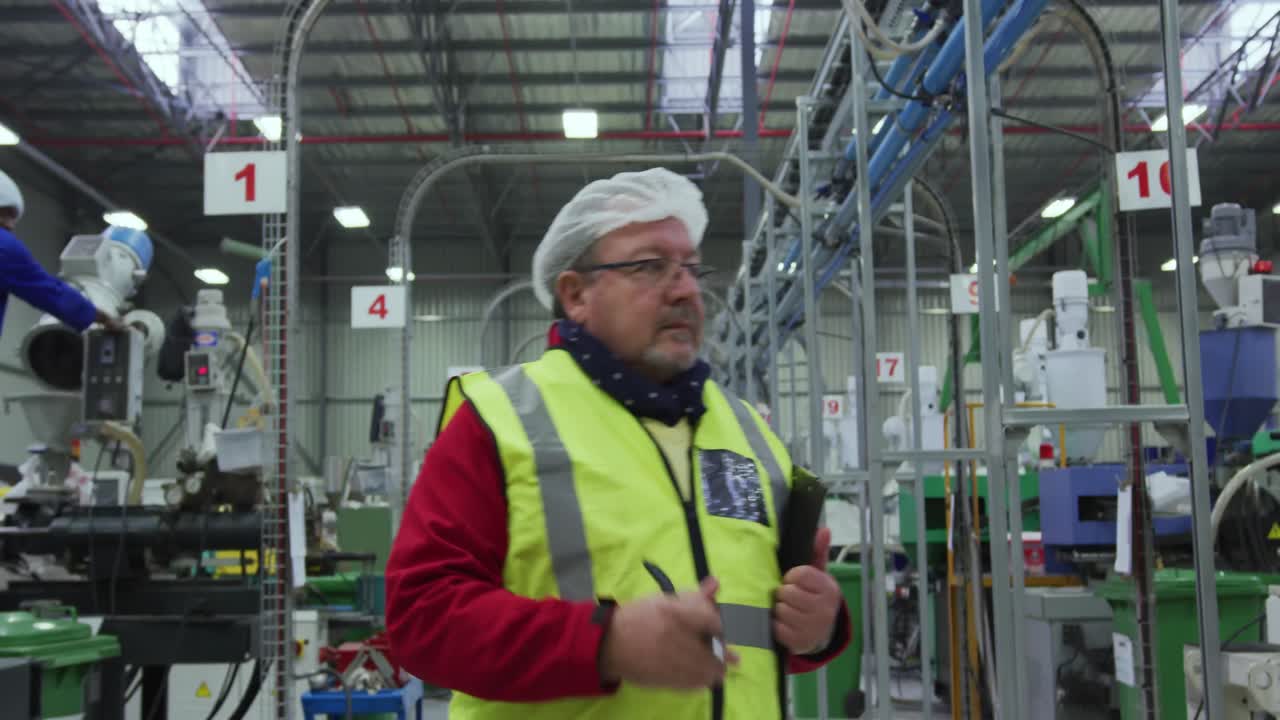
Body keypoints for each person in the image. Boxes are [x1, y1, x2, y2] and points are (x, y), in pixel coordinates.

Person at [386, 168, 851, 720]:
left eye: (691, 269)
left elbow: (751, 628)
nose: (685, 290)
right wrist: (605, 643)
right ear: (576, 294)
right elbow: (422, 622)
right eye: (650, 267)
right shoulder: (501, 420)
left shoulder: (748, 430)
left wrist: (819, 627)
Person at [0, 169, 118, 336]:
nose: (11, 225)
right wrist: (102, 318)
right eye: (6, 214)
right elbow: (48, 292)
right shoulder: (4, 247)